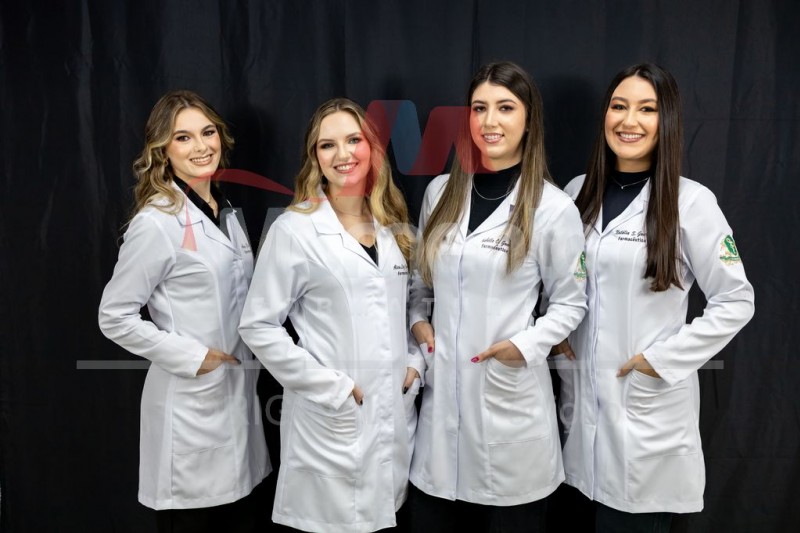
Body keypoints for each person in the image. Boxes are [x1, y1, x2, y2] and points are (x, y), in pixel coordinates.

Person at [553, 63, 755, 532]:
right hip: (579, 419)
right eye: (619, 106)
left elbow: (736, 300)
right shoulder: (576, 193)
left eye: (647, 109)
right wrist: (559, 335)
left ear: (668, 120)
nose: (630, 121)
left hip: (645, 420)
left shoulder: (692, 202)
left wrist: (659, 361)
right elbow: (564, 283)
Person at [407, 61, 588, 532]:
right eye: (479, 108)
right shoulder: (440, 193)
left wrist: (523, 347)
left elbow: (572, 302)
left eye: (505, 108)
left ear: (529, 119)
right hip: (440, 423)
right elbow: (420, 284)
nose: (489, 121)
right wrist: (418, 321)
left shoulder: (552, 208)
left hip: (509, 409)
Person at [238, 97, 422, 533]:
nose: (343, 154)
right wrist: (331, 387)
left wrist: (416, 362)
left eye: (354, 140)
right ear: (314, 158)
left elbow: (408, 302)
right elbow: (258, 325)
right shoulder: (295, 229)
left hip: (391, 419)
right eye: (328, 145)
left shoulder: (391, 223)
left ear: (372, 148)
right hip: (331, 419)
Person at [98, 90, 270, 532]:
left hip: (238, 402)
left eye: (207, 133)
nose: (201, 146)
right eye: (183, 137)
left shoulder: (225, 211)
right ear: (162, 150)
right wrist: (195, 357)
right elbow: (114, 315)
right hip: (191, 405)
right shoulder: (156, 222)